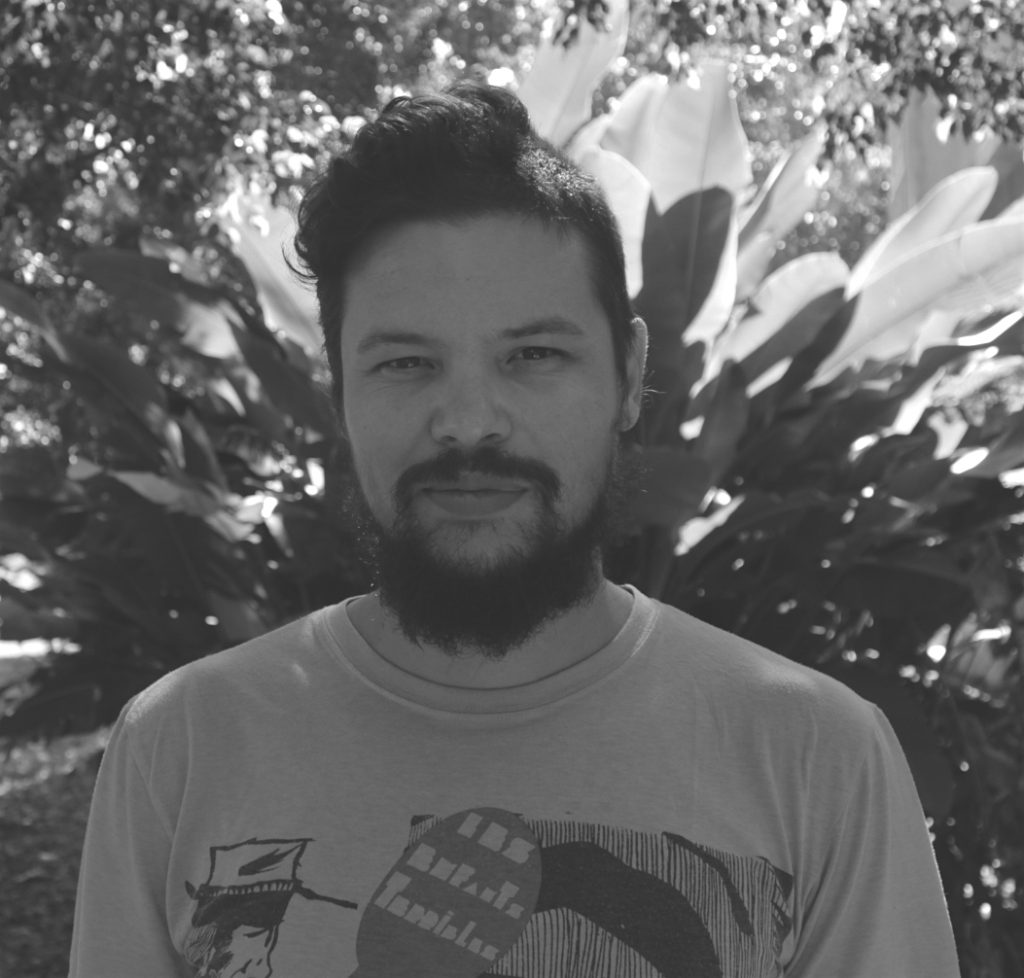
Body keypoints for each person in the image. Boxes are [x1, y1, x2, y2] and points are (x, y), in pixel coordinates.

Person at [69, 84, 960, 978]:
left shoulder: (819, 758)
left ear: (629, 376)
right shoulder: (183, 748)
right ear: (339, 388)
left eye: (534, 355)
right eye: (406, 362)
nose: (468, 422)